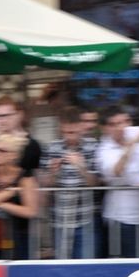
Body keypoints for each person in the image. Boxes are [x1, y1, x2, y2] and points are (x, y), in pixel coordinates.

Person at [98, 107, 139, 258]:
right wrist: (132, 144)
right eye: (115, 124)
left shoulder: (136, 131)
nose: (121, 127)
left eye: (125, 121)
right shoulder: (104, 149)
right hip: (121, 218)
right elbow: (116, 171)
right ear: (106, 128)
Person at [43, 107, 99, 259]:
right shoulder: (53, 148)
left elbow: (95, 183)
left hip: (85, 219)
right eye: (66, 132)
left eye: (73, 132)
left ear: (81, 127)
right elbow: (46, 184)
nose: (70, 137)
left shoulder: (92, 146)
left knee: (87, 267)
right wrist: (52, 172)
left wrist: (81, 166)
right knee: (63, 267)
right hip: (60, 219)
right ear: (61, 128)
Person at [0, 133, 39, 259]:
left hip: (22, 235)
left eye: (0, 150)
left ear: (13, 155)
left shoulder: (25, 176)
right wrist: (10, 192)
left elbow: (31, 211)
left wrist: (1, 204)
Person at [0, 97, 43, 176]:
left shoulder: (32, 145)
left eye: (5, 116)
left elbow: (36, 176)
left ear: (19, 115)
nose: (1, 121)